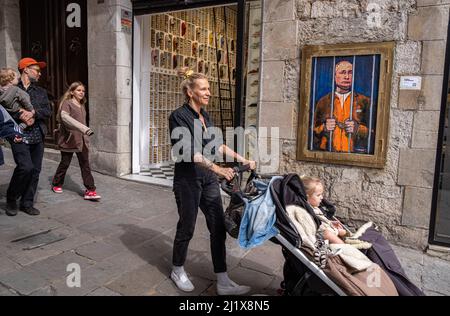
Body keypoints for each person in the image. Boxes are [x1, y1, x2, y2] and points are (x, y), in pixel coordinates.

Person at [168, 67, 256, 295]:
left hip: (207, 180)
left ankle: (223, 280)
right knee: (186, 226)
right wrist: (219, 169)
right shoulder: (178, 116)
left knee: (218, 227)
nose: (209, 93)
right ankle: (177, 269)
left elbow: (218, 145)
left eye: (209, 89)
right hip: (187, 180)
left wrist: (242, 159)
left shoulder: (206, 116)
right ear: (190, 92)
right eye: (204, 89)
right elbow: (189, 152)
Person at [5, 57, 52, 217]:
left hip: (37, 134)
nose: (39, 73)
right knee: (25, 167)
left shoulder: (41, 92)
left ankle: (27, 202)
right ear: (25, 69)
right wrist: (19, 113)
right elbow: (3, 108)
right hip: (18, 133)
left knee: (35, 170)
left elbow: (48, 111)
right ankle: (12, 198)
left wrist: (33, 113)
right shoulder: (9, 88)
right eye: (37, 70)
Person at [51, 82, 100, 200]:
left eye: (83, 91)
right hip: (69, 140)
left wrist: (86, 136)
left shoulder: (82, 105)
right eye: (78, 90)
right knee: (65, 163)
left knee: (85, 165)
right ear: (72, 92)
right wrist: (84, 129)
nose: (81, 93)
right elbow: (65, 117)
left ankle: (90, 190)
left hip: (82, 140)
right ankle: (56, 183)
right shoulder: (67, 104)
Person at [313, 60, 371, 153]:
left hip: (356, 154)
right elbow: (311, 130)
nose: (347, 76)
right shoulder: (323, 102)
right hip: (327, 153)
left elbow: (375, 132)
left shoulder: (365, 101)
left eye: (350, 73)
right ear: (335, 76)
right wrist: (324, 128)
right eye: (343, 72)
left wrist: (358, 129)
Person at [302, 176, 348, 245]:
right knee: (327, 234)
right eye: (318, 195)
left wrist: (330, 223)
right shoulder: (308, 212)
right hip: (320, 238)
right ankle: (345, 248)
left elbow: (321, 222)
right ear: (307, 197)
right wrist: (337, 231)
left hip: (326, 231)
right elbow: (319, 229)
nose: (322, 197)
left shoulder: (315, 208)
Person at [0, 68, 35, 132]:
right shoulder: (15, 89)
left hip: (8, 112)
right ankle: (20, 128)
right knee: (31, 120)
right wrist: (31, 110)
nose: (18, 79)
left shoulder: (1, 91)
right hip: (18, 111)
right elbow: (25, 99)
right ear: (10, 80)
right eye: (16, 78)